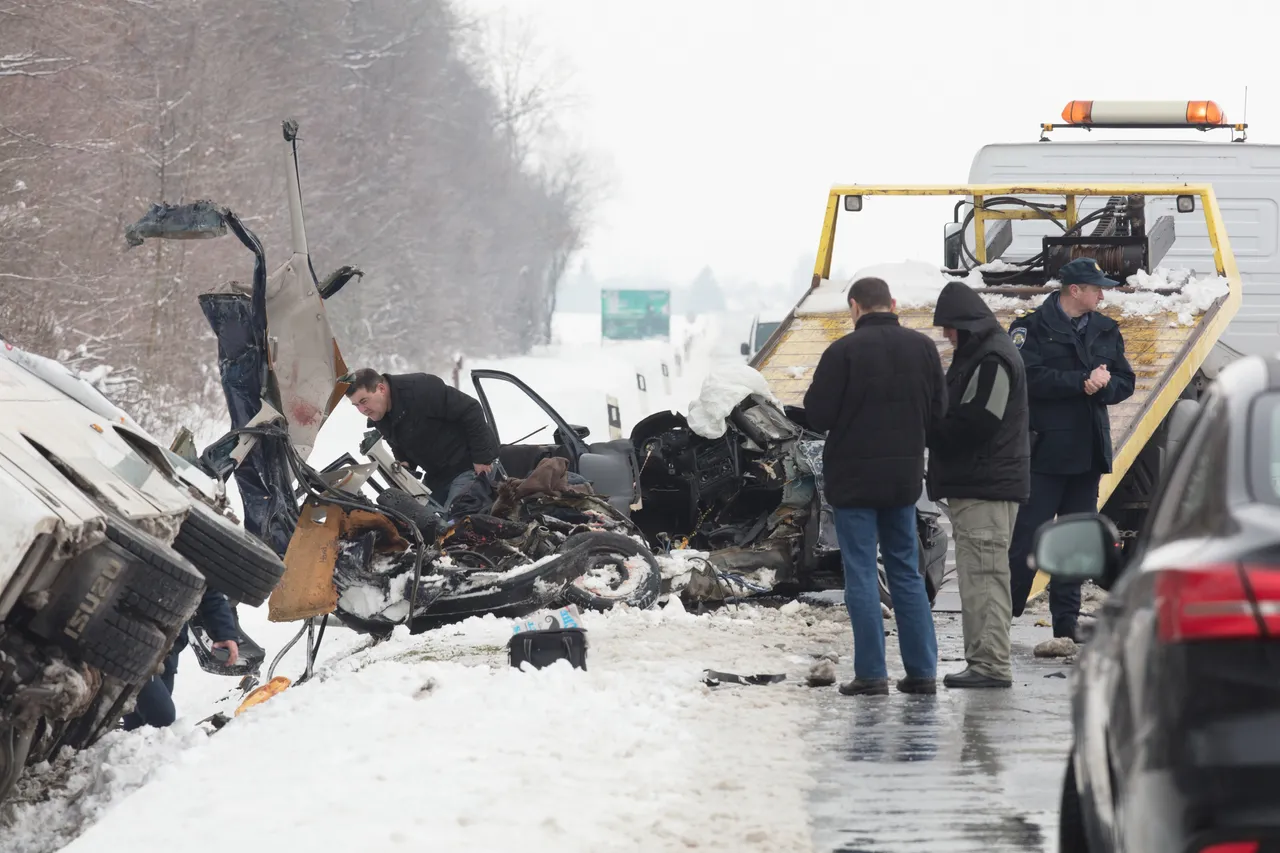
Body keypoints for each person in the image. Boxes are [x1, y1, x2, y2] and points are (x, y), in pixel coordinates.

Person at [803, 276, 947, 696]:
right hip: (902, 478)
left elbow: (817, 415)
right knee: (905, 570)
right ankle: (921, 672)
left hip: (852, 480)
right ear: (893, 304)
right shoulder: (922, 349)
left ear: (854, 306)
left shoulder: (842, 351)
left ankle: (871, 674)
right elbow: (939, 412)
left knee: (862, 572)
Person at [1007, 257, 1135, 640]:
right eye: (1096, 287)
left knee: (1077, 541)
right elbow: (1025, 378)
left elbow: (1124, 380)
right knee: (1027, 537)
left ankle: (1065, 622)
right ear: (1074, 290)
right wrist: (1080, 381)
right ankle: (1001, 617)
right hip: (1044, 450)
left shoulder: (1105, 328)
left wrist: (1103, 386)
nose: (1102, 293)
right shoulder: (1029, 327)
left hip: (1087, 451)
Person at [928, 281, 1030, 689]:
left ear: (966, 323)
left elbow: (980, 421)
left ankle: (990, 665)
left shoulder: (992, 358)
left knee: (985, 575)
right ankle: (983, 661)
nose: (947, 336)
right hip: (984, 482)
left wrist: (931, 431)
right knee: (979, 575)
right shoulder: (982, 354)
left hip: (987, 486)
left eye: (950, 328)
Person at [342, 367, 500, 512]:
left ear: (381, 389)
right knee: (417, 520)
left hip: (470, 464)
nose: (362, 410)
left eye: (363, 401)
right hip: (438, 475)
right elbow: (399, 442)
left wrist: (481, 458)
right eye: (356, 405)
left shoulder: (420, 389)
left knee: (458, 518)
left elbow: (470, 409)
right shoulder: (379, 413)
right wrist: (404, 463)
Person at [122, 588, 239, 730]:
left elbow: (210, 594)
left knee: (140, 725)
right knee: (161, 719)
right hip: (131, 645)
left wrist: (225, 634)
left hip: (169, 649)